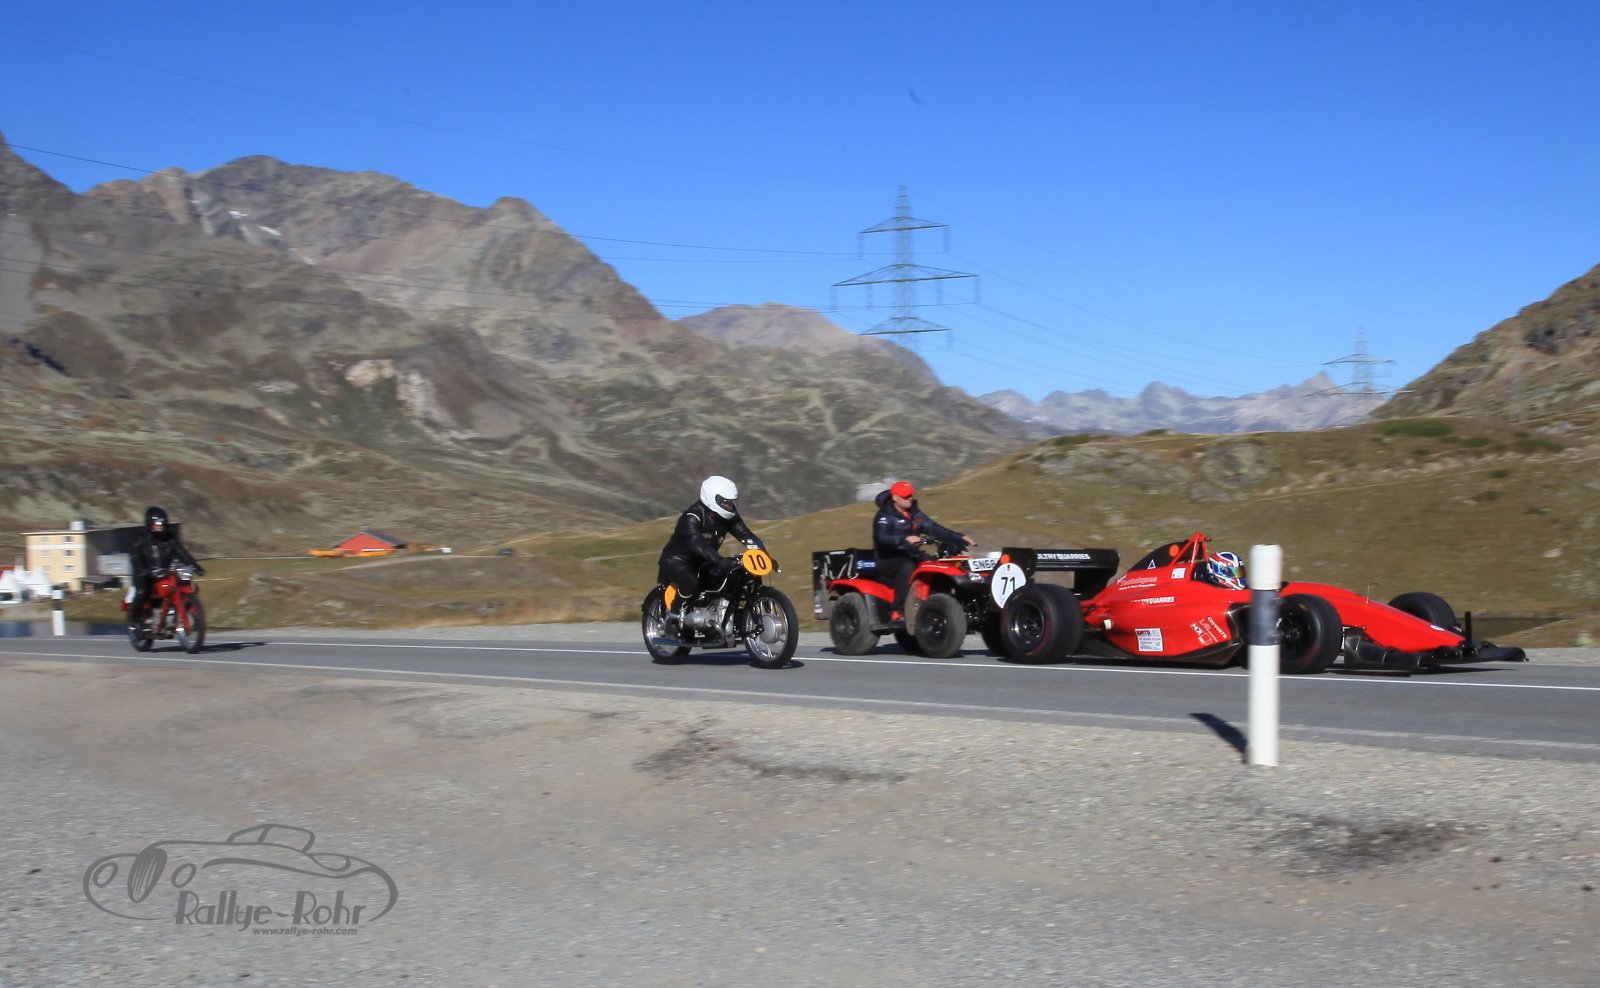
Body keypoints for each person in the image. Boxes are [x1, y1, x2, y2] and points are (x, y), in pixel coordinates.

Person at [656, 476, 766, 626]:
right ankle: (673, 618)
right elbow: (697, 544)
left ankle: (722, 616)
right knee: (690, 581)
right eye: (726, 503)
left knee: (733, 575)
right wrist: (718, 560)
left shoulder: (729, 517)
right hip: (677, 560)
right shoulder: (692, 517)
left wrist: (763, 554)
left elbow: (746, 535)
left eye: (733, 502)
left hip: (705, 561)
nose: (731, 506)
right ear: (713, 499)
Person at [871, 480, 974, 619]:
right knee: (908, 566)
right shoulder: (884, 516)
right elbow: (881, 538)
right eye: (906, 496)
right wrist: (904, 539)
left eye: (911, 495)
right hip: (887, 558)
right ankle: (898, 610)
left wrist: (958, 537)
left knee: (935, 565)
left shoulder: (915, 513)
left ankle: (940, 605)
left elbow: (934, 528)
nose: (910, 498)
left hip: (911, 554)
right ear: (895, 498)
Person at [127, 505, 204, 632]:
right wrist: (142, 570)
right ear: (150, 523)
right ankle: (135, 621)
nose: (160, 527)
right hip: (145, 574)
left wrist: (195, 566)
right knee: (143, 592)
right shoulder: (142, 538)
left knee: (185, 585)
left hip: (165, 573)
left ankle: (186, 616)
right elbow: (134, 555)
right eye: (157, 524)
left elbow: (181, 552)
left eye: (162, 524)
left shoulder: (170, 539)